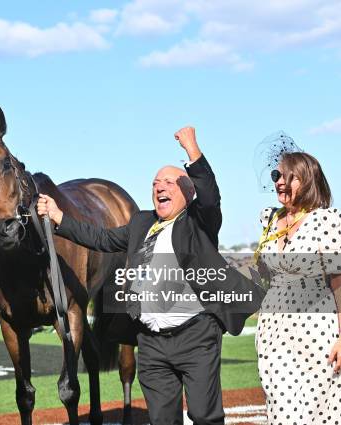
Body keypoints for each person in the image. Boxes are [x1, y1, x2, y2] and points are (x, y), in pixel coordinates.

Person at [38, 127, 263, 425]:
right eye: (156, 183)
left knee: (205, 417)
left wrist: (192, 151)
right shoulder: (142, 222)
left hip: (195, 337)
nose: (160, 187)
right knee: (162, 421)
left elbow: (209, 197)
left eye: (169, 182)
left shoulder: (199, 222)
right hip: (152, 344)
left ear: (186, 191)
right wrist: (59, 217)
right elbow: (101, 238)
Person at [254, 151, 341, 424]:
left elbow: (339, 283)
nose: (280, 182)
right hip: (272, 333)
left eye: (289, 177)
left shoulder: (326, 220)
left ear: (307, 181)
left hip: (315, 333)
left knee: (320, 410)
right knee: (282, 409)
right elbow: (264, 275)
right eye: (276, 176)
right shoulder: (269, 220)